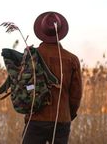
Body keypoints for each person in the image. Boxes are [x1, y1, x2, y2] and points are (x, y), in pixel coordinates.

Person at [22, 11, 83, 144]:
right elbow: (76, 95)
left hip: (36, 118)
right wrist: (67, 114)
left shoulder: (31, 56)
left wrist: (29, 112)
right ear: (60, 32)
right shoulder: (72, 59)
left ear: (41, 31)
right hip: (62, 119)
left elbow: (24, 86)